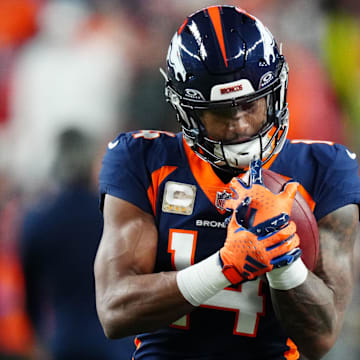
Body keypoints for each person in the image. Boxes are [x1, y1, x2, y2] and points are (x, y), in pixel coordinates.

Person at [94, 5, 360, 360]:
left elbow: (321, 338)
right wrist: (225, 266)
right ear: (186, 110)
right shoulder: (142, 159)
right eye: (219, 112)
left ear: (275, 92)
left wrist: (283, 259)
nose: (238, 125)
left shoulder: (325, 168)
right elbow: (114, 311)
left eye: (251, 105)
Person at [20, 128, 135, 360]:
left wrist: (38, 337)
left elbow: (29, 292)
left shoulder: (39, 219)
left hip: (65, 341)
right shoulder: (114, 216)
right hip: (115, 340)